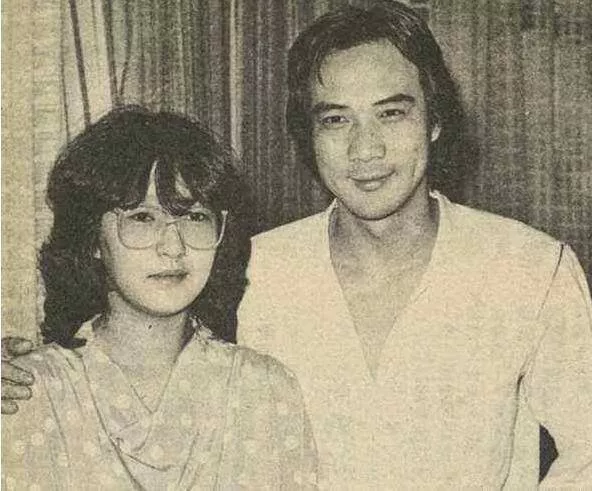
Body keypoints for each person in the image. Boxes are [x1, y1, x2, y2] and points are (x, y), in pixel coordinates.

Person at [3, 3, 592, 489]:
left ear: (434, 121)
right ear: (306, 137)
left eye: (391, 114)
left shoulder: (529, 269)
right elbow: (135, 351)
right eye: (336, 120)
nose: (366, 150)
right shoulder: (248, 268)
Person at [1, 106, 318, 490]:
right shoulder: (28, 391)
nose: (173, 246)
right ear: (92, 238)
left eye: (195, 217)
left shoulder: (266, 390)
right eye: (142, 217)